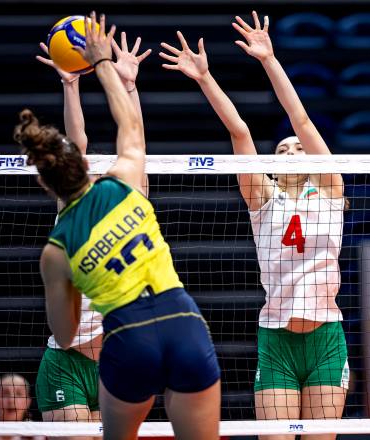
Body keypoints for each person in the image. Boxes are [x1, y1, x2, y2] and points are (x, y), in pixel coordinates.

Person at [14, 13, 220, 440]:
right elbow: (132, 130)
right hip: (179, 321)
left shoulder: (57, 248)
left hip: (124, 340)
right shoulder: (126, 185)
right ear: (84, 169)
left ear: (46, 182)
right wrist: (107, 67)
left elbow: (63, 330)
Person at [159, 11, 349, 440]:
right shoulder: (263, 200)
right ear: (271, 165)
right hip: (276, 338)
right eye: (281, 150)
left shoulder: (332, 191)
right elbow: (240, 131)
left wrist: (269, 60)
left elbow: (301, 119)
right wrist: (205, 78)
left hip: (326, 339)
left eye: (298, 148)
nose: (290, 151)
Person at [32, 29, 150, 440]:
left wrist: (129, 85)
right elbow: (75, 143)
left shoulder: (131, 204)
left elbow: (134, 140)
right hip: (67, 361)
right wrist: (71, 85)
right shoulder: (73, 207)